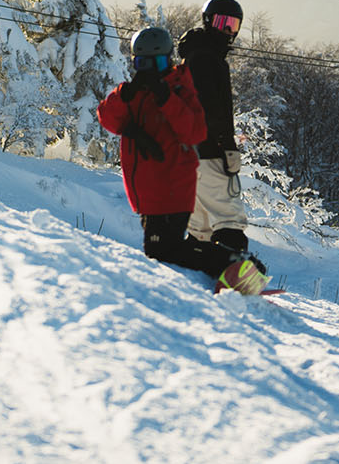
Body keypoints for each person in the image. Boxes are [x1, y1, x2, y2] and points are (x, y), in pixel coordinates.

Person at [97, 26, 267, 296]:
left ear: (170, 60)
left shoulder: (179, 87)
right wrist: (123, 96)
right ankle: (226, 269)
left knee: (163, 249)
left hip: (174, 185)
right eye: (143, 63)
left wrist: (166, 98)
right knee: (163, 251)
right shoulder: (133, 93)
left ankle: (234, 263)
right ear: (134, 62)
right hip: (148, 192)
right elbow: (109, 120)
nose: (151, 70)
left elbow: (195, 131)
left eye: (159, 63)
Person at [177, 0, 250, 253]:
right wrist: (226, 146)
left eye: (234, 25)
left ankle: (201, 266)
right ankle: (235, 270)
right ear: (209, 21)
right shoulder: (208, 59)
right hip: (210, 152)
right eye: (223, 23)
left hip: (190, 154)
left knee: (202, 226)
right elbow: (210, 108)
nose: (228, 31)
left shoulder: (193, 54)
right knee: (227, 215)